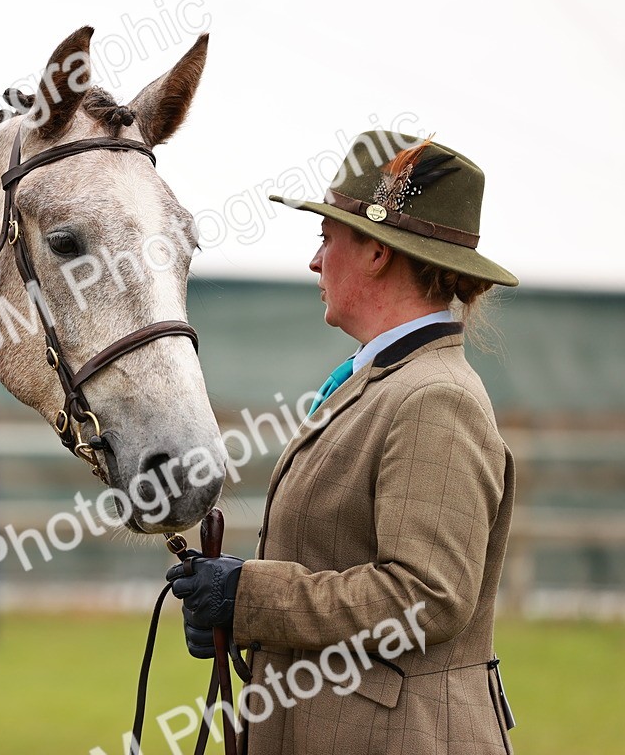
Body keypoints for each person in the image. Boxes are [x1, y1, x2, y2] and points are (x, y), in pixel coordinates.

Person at [167, 132, 518, 754]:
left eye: (327, 238)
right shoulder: (386, 383)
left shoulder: (435, 399)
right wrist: (238, 608)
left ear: (378, 252)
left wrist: (249, 597)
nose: (315, 260)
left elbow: (426, 598)